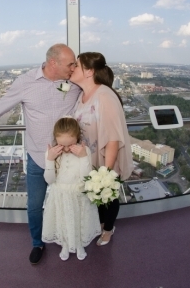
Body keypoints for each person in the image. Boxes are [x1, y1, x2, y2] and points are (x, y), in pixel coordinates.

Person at [0, 44, 81, 264]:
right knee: (34, 205)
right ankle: (37, 243)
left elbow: (94, 90)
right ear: (53, 63)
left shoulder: (74, 82)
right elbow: (4, 103)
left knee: (68, 199)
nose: (74, 67)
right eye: (70, 63)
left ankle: (67, 236)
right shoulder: (25, 82)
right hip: (39, 158)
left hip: (67, 158)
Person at [70, 52, 134, 246]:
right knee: (96, 197)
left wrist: (106, 173)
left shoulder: (104, 96)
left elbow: (113, 138)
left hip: (106, 158)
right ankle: (100, 224)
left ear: (89, 71)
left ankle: (108, 229)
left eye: (76, 66)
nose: (72, 69)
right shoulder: (82, 95)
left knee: (108, 196)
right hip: (90, 158)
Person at [42, 117, 101, 261]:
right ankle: (65, 244)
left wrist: (82, 157)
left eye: (71, 144)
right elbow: (49, 180)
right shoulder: (51, 153)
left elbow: (85, 177)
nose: (67, 149)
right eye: (62, 145)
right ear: (56, 140)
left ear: (78, 138)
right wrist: (50, 159)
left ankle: (79, 244)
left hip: (78, 194)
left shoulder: (84, 150)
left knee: (79, 220)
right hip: (60, 195)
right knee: (63, 220)